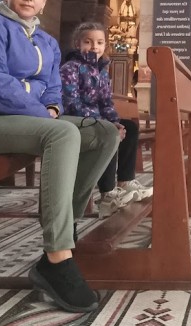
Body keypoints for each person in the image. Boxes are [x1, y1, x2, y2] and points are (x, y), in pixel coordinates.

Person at [0, 0, 120, 313]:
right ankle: (57, 258)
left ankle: (67, 227)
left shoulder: (47, 42)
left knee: (105, 133)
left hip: (32, 120)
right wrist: (45, 114)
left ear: (46, 0)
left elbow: (52, 88)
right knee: (63, 134)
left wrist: (49, 109)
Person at [60, 22, 153, 219]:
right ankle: (107, 195)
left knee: (129, 127)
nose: (94, 47)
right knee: (108, 133)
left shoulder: (101, 70)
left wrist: (115, 120)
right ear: (77, 44)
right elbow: (71, 103)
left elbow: (106, 101)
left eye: (100, 42)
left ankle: (125, 182)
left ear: (105, 45)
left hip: (97, 120)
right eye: (88, 41)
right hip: (75, 120)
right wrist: (105, 122)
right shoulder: (70, 68)